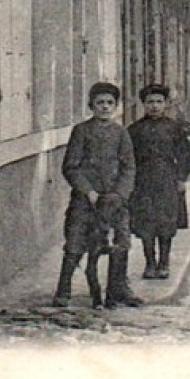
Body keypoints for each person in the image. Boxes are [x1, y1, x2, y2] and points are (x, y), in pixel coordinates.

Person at [54, 82, 141, 309]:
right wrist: (87, 191)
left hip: (114, 201)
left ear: (116, 106)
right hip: (85, 201)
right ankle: (63, 290)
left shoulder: (121, 133)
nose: (105, 107)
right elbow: (70, 167)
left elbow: (129, 167)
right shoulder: (81, 131)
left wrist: (120, 194)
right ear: (91, 106)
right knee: (75, 243)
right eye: (100, 103)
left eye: (109, 103)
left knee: (120, 244)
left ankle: (118, 289)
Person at [127, 83, 190, 281]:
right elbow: (127, 159)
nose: (154, 106)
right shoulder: (134, 130)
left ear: (165, 104)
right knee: (146, 223)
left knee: (166, 223)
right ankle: (150, 263)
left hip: (168, 180)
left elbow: (185, 156)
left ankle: (164, 262)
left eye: (158, 102)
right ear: (143, 105)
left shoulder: (174, 129)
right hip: (143, 182)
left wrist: (181, 178)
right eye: (150, 102)